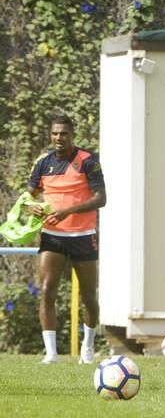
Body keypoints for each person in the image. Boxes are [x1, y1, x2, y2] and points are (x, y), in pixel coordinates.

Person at [25, 114, 106, 364]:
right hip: (52, 237)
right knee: (47, 291)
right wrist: (33, 207)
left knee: (88, 297)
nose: (59, 137)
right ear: (51, 136)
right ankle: (51, 354)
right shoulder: (43, 163)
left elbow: (101, 198)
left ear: (72, 134)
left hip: (83, 235)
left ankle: (88, 347)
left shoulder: (88, 161)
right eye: (55, 133)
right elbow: (28, 196)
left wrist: (68, 211)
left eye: (64, 133)